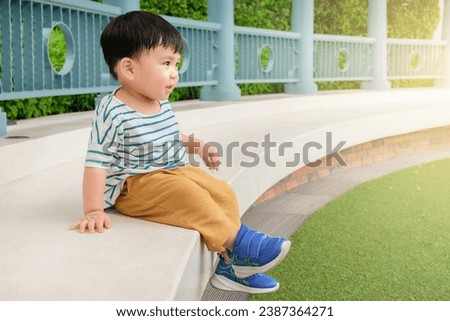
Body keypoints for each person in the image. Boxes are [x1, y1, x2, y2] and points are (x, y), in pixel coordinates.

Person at [69, 11, 290, 294]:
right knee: (191, 197)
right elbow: (97, 161)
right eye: (165, 63)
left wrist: (197, 146)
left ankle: (231, 266)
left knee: (221, 192)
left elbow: (170, 136)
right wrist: (93, 209)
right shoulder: (113, 111)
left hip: (173, 169)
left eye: (176, 63)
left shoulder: (158, 101)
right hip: (137, 183)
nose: (174, 72)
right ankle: (242, 245)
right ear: (129, 69)